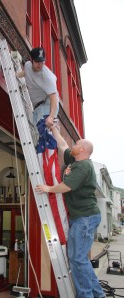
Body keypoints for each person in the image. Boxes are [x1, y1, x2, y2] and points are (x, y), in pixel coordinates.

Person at [35, 125, 105, 298]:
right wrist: (54, 129)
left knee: (77, 259)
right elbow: (63, 145)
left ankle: (86, 295)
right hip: (81, 217)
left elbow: (66, 186)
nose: (73, 146)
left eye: (76, 144)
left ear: (82, 150)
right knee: (80, 259)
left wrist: (48, 188)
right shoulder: (76, 161)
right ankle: (98, 294)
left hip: (85, 218)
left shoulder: (83, 167)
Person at [17, 47, 59, 129]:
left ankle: (54, 130)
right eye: (37, 62)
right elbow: (26, 73)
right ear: (31, 59)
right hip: (37, 107)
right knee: (35, 133)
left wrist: (51, 116)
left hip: (48, 105)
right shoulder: (27, 65)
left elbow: (53, 97)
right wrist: (16, 75)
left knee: (42, 132)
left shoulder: (47, 77)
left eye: (42, 62)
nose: (40, 65)